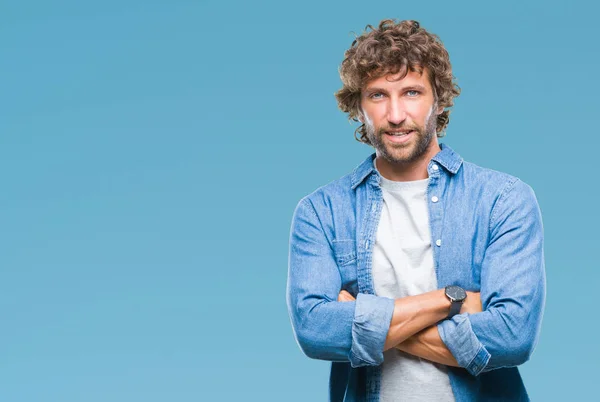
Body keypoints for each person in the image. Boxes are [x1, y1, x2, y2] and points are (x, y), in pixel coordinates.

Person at [286, 19, 545, 401]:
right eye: (377, 95)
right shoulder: (322, 212)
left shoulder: (503, 200)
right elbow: (314, 330)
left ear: (438, 99)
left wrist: (365, 319)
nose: (394, 114)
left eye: (411, 92)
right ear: (358, 106)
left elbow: (513, 336)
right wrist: (450, 300)